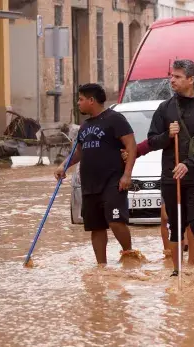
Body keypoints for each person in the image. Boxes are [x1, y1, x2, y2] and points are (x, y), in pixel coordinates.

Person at [147, 59, 194, 277]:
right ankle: (176, 272)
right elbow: (152, 141)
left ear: (191, 80)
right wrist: (167, 135)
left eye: (177, 77)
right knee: (175, 225)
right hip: (171, 177)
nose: (172, 80)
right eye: (171, 76)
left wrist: (188, 164)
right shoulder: (165, 108)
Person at [54, 83, 138, 264]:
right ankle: (101, 267)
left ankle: (129, 255)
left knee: (116, 221)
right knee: (96, 227)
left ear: (91, 101)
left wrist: (127, 174)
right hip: (90, 184)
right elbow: (78, 152)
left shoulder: (115, 119)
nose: (78, 103)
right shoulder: (85, 126)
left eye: (81, 99)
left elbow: (131, 145)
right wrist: (63, 166)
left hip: (113, 181)